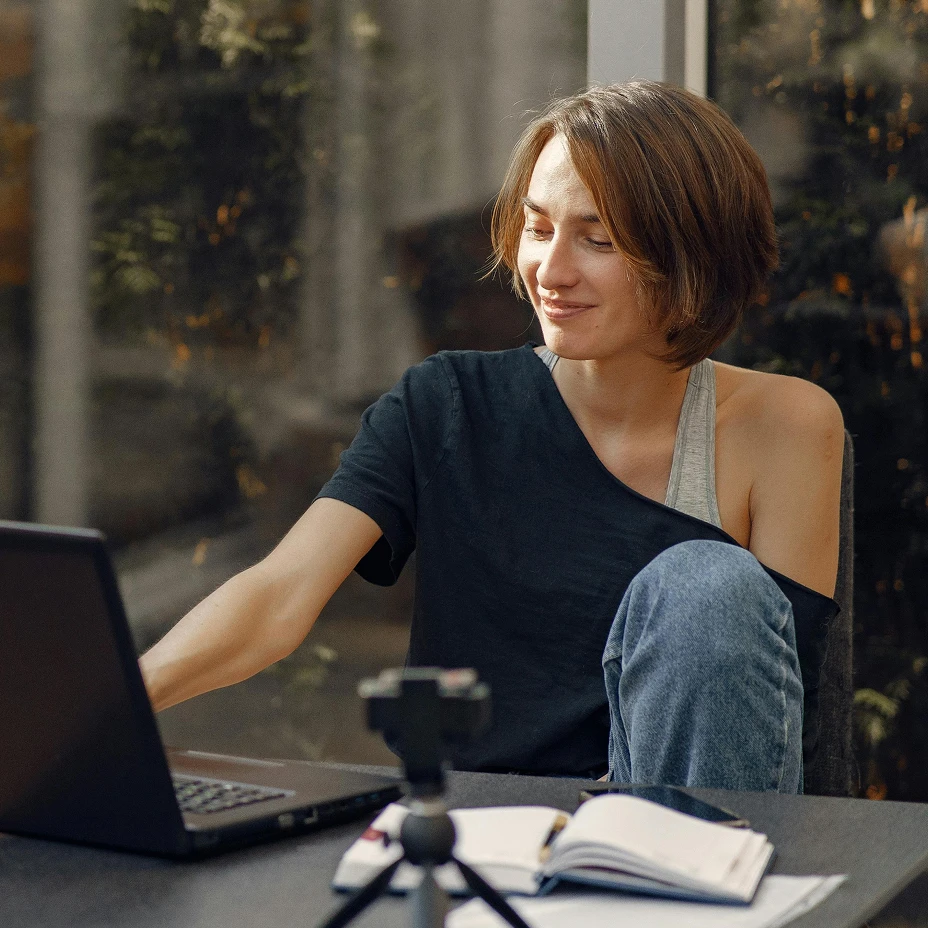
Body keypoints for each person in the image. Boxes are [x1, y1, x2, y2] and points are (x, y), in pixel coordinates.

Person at [140, 81, 844, 794]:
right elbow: (278, 594)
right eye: (538, 229)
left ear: (693, 256)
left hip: (679, 838)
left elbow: (773, 714)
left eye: (598, 240)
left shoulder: (784, 426)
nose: (552, 271)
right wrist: (108, 712)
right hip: (481, 830)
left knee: (708, 585)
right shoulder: (446, 404)